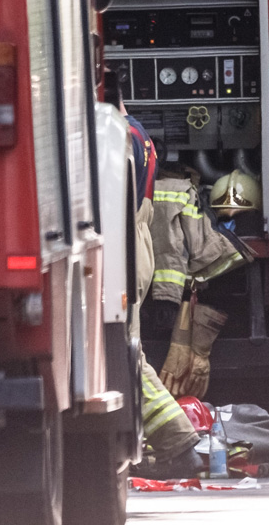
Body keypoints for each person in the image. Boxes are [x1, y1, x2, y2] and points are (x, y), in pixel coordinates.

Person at [103, 72, 201, 480]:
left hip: (119, 247)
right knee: (129, 349)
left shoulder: (112, 136)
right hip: (137, 245)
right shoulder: (140, 133)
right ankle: (169, 442)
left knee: (127, 355)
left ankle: (177, 441)